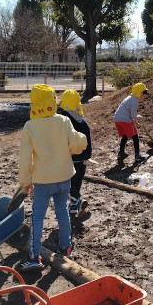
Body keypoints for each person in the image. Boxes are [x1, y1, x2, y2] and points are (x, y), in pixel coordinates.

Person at [19, 84, 87, 271]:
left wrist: (26, 181)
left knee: (38, 216)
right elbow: (75, 144)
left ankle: (34, 256)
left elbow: (25, 157)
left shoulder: (30, 126)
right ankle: (66, 248)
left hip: (42, 181)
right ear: (52, 101)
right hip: (64, 178)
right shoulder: (63, 121)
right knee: (62, 212)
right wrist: (81, 139)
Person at [58, 89, 92, 221]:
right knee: (77, 182)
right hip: (84, 156)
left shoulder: (62, 119)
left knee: (67, 185)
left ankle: (77, 200)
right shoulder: (81, 120)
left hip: (70, 157)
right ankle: (73, 207)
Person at [113, 82, 148, 161]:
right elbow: (133, 115)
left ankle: (121, 152)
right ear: (140, 93)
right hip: (124, 119)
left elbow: (127, 113)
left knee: (125, 135)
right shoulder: (134, 100)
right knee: (135, 136)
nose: (144, 95)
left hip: (117, 119)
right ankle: (137, 155)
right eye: (144, 93)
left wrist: (132, 120)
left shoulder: (129, 98)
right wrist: (138, 117)